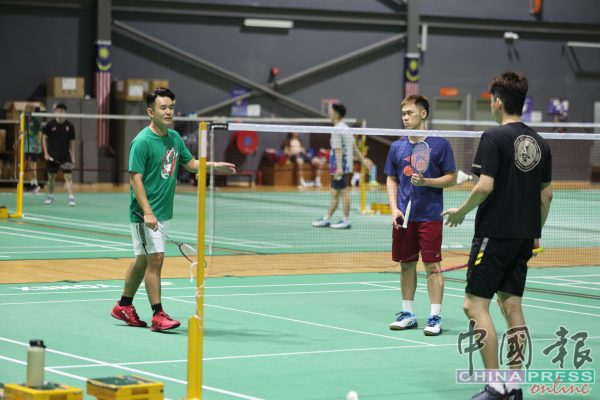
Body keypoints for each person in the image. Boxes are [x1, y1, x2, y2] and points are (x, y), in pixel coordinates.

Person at [442, 72, 552, 400]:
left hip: (494, 234)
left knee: (474, 306)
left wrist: (461, 212)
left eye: (491, 100)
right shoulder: (541, 143)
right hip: (524, 236)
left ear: (498, 102)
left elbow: (484, 186)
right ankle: (513, 386)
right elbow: (546, 195)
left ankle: (494, 387)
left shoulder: (493, 137)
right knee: (512, 306)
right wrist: (535, 234)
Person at [111, 88, 235, 332]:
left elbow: (191, 164)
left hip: (163, 211)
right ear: (151, 112)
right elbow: (135, 178)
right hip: (144, 214)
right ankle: (158, 315)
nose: (168, 112)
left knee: (142, 260)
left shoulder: (175, 138)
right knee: (156, 259)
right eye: (163, 108)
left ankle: (123, 305)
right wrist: (147, 211)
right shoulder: (142, 142)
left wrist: (214, 166)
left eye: (171, 107)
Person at [384, 95, 456, 336]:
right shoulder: (396, 147)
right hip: (404, 217)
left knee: (432, 265)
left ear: (423, 114)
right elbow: (391, 178)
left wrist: (427, 181)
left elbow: (451, 178)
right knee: (406, 265)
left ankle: (435, 317)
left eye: (410, 113)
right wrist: (393, 208)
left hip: (430, 215)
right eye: (403, 113)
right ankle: (408, 314)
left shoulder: (440, 144)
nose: (405, 118)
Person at [312, 103, 365, 229]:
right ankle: (327, 219)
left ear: (336, 113)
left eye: (331, 111)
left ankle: (345, 220)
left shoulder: (337, 129)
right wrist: (363, 162)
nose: (329, 113)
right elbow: (355, 148)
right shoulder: (346, 128)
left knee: (342, 192)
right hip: (343, 166)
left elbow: (338, 149)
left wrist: (339, 167)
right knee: (336, 193)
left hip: (339, 166)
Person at [42, 103, 76, 206]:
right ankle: (50, 196)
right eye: (58, 111)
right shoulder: (50, 125)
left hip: (65, 156)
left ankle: (71, 198)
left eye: (62, 111)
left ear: (65, 112)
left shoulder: (70, 126)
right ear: (55, 112)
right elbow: (44, 139)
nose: (60, 112)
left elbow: (72, 142)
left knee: (68, 177)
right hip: (52, 156)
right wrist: (46, 153)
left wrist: (73, 156)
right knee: (51, 177)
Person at [15, 104, 42, 192]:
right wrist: (17, 142)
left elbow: (39, 133)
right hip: (26, 146)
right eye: (26, 108)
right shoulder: (24, 120)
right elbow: (22, 133)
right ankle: (32, 184)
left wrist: (38, 144)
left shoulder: (36, 121)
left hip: (34, 146)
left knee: (32, 165)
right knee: (29, 166)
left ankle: (35, 184)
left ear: (32, 110)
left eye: (29, 109)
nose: (27, 110)